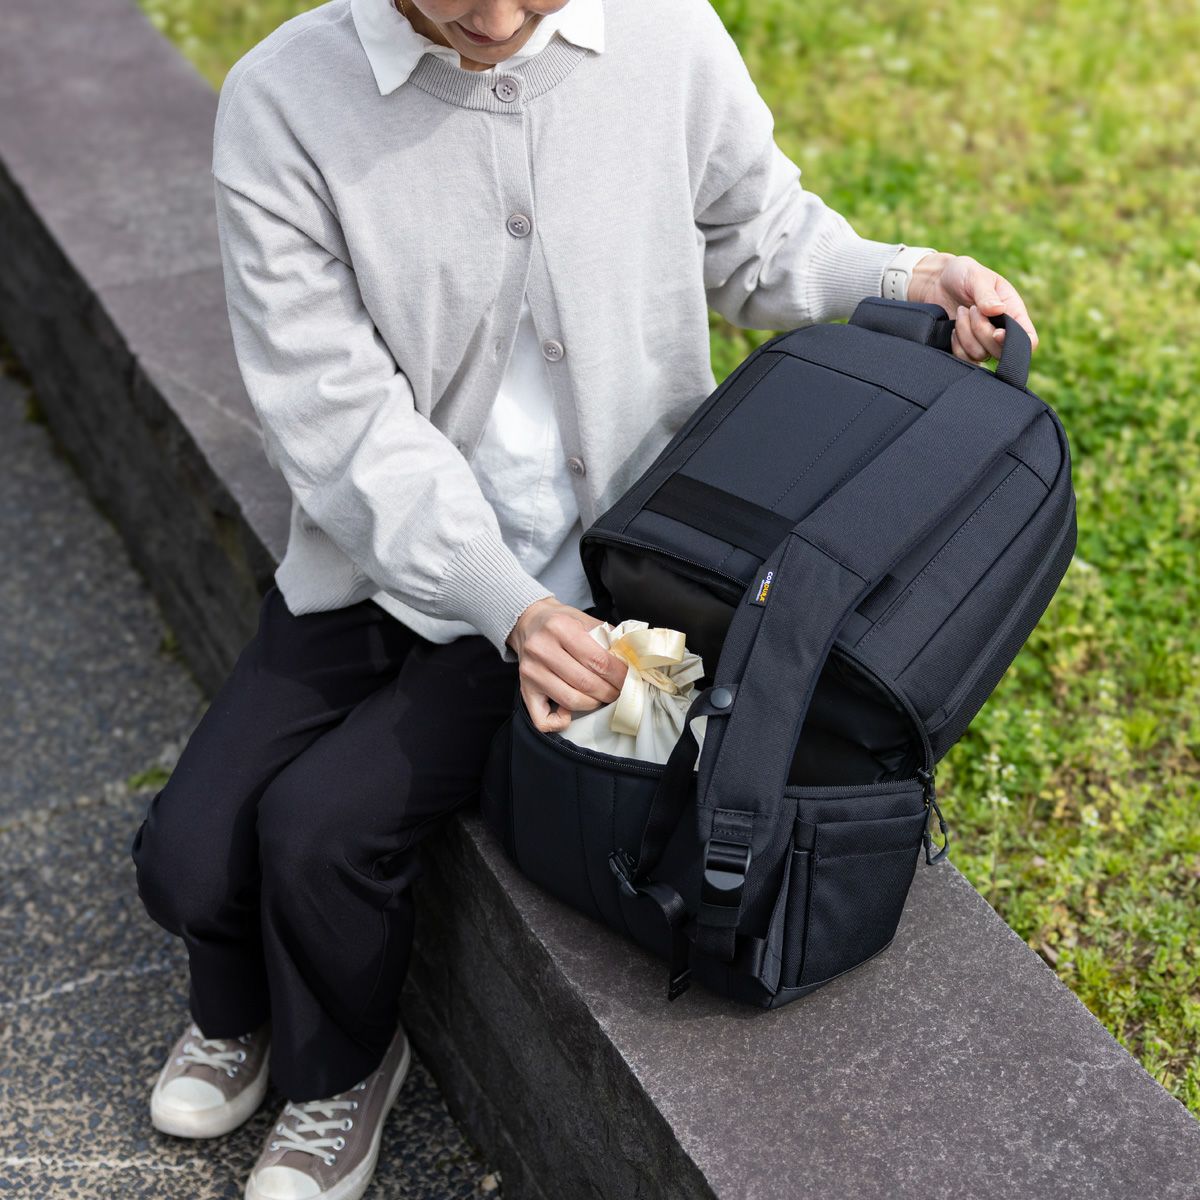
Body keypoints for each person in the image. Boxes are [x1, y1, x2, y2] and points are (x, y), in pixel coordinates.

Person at [130, 1, 1040, 1197]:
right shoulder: (287, 98)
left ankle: (340, 1065)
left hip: (585, 579)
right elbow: (334, 415)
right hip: (381, 561)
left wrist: (911, 274)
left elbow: (755, 234)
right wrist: (500, 601)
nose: (498, 19)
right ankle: (238, 1004)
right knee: (185, 855)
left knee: (321, 830)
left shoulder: (663, 34)